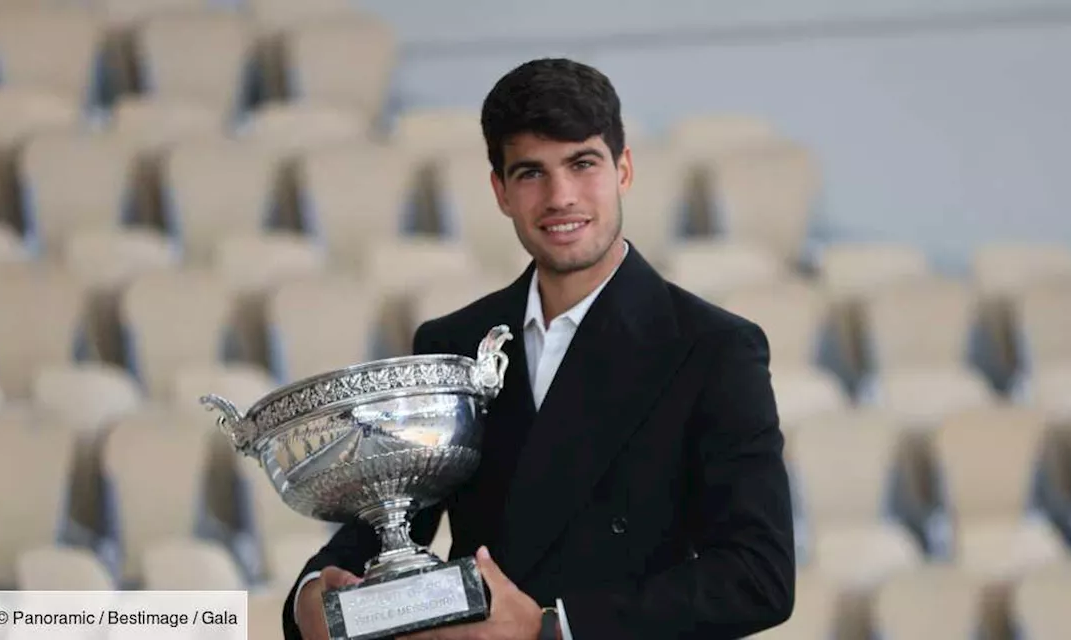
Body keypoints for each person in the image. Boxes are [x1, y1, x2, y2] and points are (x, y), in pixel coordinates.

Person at [284, 57, 795, 640]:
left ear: (623, 169)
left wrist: (553, 628)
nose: (560, 197)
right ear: (500, 191)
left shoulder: (714, 349)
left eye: (583, 164)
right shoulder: (451, 342)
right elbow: (391, 521)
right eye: (531, 173)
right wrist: (310, 600)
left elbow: (759, 577)